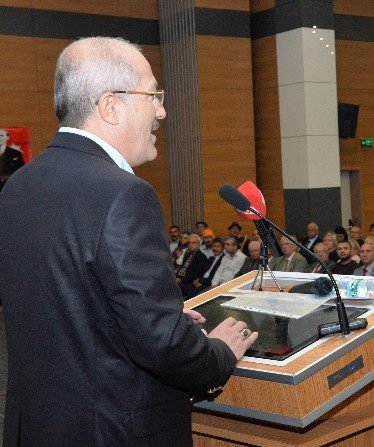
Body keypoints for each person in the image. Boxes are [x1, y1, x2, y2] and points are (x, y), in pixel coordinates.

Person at [0, 37, 257, 445]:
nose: (162, 110)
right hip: (114, 430)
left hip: (39, 427)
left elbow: (63, 310)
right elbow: (163, 346)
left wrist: (150, 318)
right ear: (110, 106)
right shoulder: (123, 194)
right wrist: (219, 352)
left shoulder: (18, 187)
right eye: (153, 94)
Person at [0, 127, 25, 192]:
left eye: (1, 135)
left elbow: (21, 171)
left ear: (7, 137)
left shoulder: (16, 153)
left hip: (10, 186)